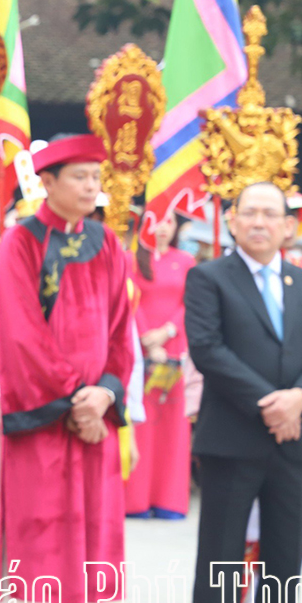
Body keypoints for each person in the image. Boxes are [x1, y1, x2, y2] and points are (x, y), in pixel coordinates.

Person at [0, 134, 133, 603]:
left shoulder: (109, 243)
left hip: (94, 416)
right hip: (45, 422)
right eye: (80, 177)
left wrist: (106, 394)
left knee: (91, 545)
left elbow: (123, 330)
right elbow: (22, 335)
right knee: (34, 546)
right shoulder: (21, 242)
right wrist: (77, 400)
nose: (91, 187)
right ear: (46, 182)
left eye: (96, 178)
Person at [185, 181, 302, 603]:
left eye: (270, 214)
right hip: (232, 438)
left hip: (294, 441)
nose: (259, 222)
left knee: (284, 558)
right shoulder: (209, 278)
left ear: (288, 226)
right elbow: (209, 351)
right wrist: (275, 404)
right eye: (249, 212)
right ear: (232, 221)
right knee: (223, 559)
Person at [126, 209, 196, 519]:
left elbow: (190, 303)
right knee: (141, 424)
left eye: (168, 221)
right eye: (154, 222)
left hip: (175, 349)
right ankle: (136, 501)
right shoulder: (130, 260)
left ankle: (169, 500)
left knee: (173, 427)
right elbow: (127, 299)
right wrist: (145, 339)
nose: (162, 229)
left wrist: (167, 333)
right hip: (139, 353)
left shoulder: (186, 260)